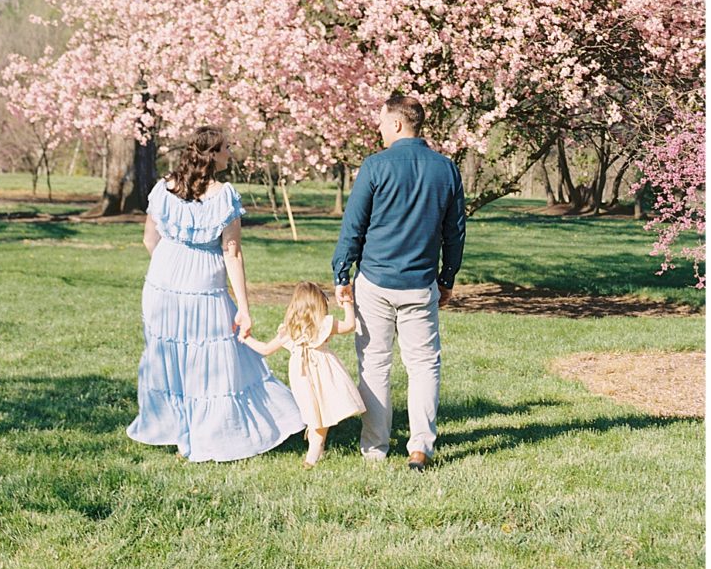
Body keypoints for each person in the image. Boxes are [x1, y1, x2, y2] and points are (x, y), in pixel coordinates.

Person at [126, 126, 304, 462]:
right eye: (226, 148)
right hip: (201, 285)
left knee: (170, 355)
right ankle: (209, 433)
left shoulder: (163, 188)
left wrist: (170, 268)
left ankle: (175, 428)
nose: (230, 154)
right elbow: (232, 252)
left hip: (162, 281)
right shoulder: (223, 195)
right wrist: (244, 308)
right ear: (212, 155)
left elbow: (149, 239)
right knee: (207, 360)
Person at [332, 94, 466, 470]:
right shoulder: (446, 169)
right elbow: (454, 232)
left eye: (380, 120)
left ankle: (375, 447)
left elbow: (353, 225)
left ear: (396, 123)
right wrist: (447, 277)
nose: (378, 127)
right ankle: (421, 446)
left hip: (375, 280)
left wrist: (342, 271)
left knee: (374, 364)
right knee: (424, 365)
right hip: (420, 282)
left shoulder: (375, 166)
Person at [241, 281, 365, 468]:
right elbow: (349, 325)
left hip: (302, 378)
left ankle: (315, 449)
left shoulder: (290, 329)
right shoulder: (323, 324)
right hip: (324, 373)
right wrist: (347, 302)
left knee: (315, 411)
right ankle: (316, 448)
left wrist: (246, 338)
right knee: (321, 410)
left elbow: (265, 349)